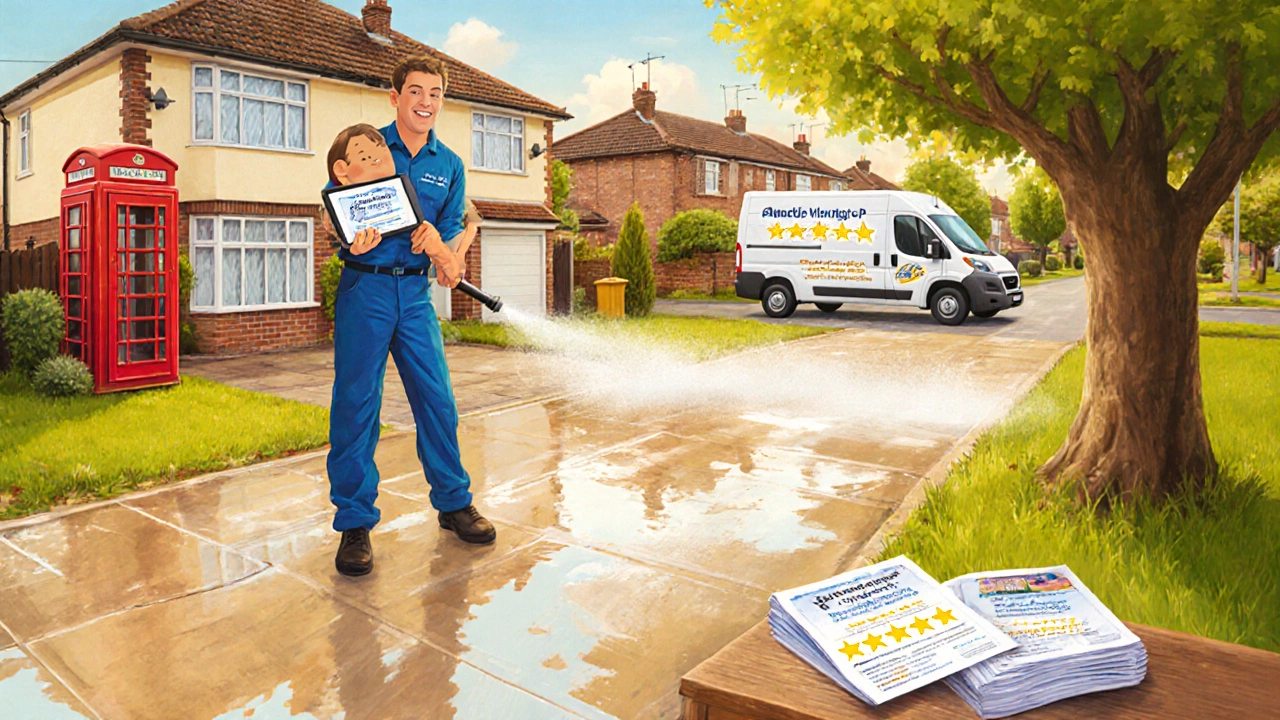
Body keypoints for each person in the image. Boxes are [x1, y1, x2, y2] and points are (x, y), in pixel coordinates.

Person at [326, 55, 495, 579]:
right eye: (416, 91)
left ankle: (453, 502)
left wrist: (445, 252)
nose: (426, 102)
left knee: (438, 401)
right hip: (366, 291)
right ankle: (355, 522)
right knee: (357, 406)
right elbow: (334, 206)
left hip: (415, 297)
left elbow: (453, 228)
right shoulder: (365, 148)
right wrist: (348, 235)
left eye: (436, 93)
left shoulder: (449, 164)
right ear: (394, 97)